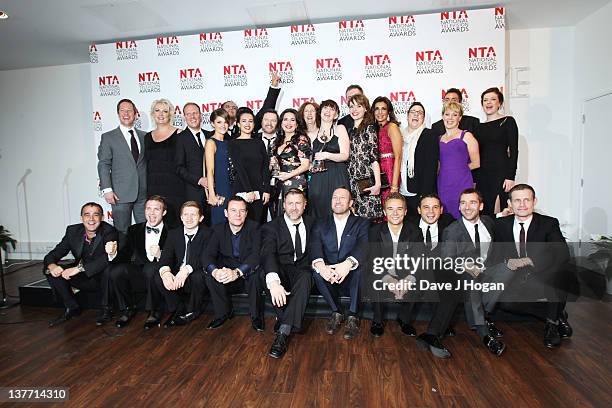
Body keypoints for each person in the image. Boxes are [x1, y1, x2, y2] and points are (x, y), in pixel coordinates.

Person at [490, 184, 572, 348]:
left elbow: (562, 253)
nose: (522, 204)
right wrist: (507, 262)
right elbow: (494, 254)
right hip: (515, 278)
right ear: (510, 204)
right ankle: (555, 315)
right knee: (505, 303)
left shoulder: (548, 223)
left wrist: (530, 260)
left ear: (534, 201)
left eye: (526, 199)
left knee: (562, 273)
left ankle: (551, 325)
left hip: (542, 275)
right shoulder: (500, 224)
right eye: (517, 200)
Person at [442, 188, 506, 356]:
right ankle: (485, 334)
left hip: (487, 270)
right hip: (465, 274)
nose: (467, 207)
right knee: (470, 279)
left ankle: (484, 314)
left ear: (481, 206)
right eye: (463, 203)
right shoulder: (452, 230)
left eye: (472, 202)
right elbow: (447, 259)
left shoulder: (488, 222)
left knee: (508, 268)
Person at [44, 202, 118, 326]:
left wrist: (78, 269)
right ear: (81, 218)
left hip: (102, 277)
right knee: (49, 270)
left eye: (96, 215)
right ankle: (72, 307)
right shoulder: (73, 231)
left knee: (108, 269)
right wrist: (52, 266)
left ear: (102, 218)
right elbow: (54, 254)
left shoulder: (109, 231)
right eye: (87, 215)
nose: (91, 219)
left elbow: (106, 259)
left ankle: (106, 310)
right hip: (83, 276)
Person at [311, 187, 369, 340]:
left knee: (361, 269)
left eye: (342, 198)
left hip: (352, 276)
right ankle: (336, 311)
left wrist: (348, 264)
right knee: (316, 272)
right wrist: (322, 267)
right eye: (334, 197)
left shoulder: (362, 223)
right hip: (331, 275)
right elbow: (315, 246)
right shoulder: (320, 223)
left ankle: (353, 316)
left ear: (350, 202)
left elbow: (364, 246)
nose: (337, 201)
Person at [262, 189, 314, 358]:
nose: (294, 207)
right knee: (268, 277)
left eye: (298, 203)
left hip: (303, 269)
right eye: (290, 203)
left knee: (306, 277)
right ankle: (288, 325)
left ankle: (282, 332)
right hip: (281, 269)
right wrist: (274, 282)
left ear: (305, 205)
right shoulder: (271, 227)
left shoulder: (313, 223)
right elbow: (267, 253)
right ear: (283, 205)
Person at [103, 195, 169, 329]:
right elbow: (125, 255)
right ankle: (128, 308)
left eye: (156, 209)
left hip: (161, 275)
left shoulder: (172, 231)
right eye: (148, 209)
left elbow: (177, 258)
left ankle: (154, 311)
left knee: (151, 268)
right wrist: (113, 253)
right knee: (116, 271)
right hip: (140, 273)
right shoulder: (134, 230)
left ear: (164, 212)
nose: (151, 213)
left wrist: (161, 255)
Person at [366, 193, 424, 338]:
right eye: (390, 209)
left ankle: (404, 320)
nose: (395, 213)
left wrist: (408, 279)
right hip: (383, 271)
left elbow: (418, 260)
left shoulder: (415, 231)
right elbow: (373, 260)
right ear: (385, 212)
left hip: (404, 272)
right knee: (372, 277)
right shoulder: (375, 231)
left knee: (418, 279)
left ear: (405, 211)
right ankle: (378, 321)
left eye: (399, 209)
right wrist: (388, 279)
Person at [202, 196, 264, 331]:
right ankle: (222, 314)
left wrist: (238, 272)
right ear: (226, 213)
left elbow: (256, 255)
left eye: (242, 211)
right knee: (210, 275)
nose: (238, 215)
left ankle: (256, 316)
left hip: (246, 272)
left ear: (246, 213)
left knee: (257, 274)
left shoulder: (255, 228)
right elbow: (207, 255)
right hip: (226, 273)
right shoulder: (217, 230)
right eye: (233, 210)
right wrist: (215, 271)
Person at [411, 194, 458, 358]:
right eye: (426, 207)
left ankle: (432, 334)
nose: (431, 212)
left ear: (441, 210)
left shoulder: (449, 222)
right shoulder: (409, 225)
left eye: (435, 207)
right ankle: (440, 328)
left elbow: (471, 223)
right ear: (418, 210)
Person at [154, 201, 210, 327]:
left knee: (198, 276)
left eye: (193, 215)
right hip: (178, 273)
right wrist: (166, 272)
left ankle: (192, 310)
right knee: (159, 276)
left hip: (195, 271)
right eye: (186, 215)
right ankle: (177, 307)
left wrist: (186, 270)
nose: (189, 218)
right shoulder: (174, 233)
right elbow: (166, 257)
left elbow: (204, 257)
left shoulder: (208, 234)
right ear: (181, 217)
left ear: (201, 218)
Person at [97, 99, 147, 234]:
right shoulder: (108, 137)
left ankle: (141, 256)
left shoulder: (144, 136)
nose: (126, 113)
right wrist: (107, 190)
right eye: (122, 110)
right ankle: (123, 256)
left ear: (135, 114)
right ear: (118, 114)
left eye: (129, 110)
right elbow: (103, 164)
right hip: (119, 195)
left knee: (143, 231)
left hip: (143, 194)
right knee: (121, 232)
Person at [475, 87, 519, 216]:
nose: (488, 103)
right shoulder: (478, 127)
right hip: (482, 175)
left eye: (493, 99)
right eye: (485, 100)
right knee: (485, 210)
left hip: (501, 173)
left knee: (500, 210)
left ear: (499, 103)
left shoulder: (508, 122)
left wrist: (511, 176)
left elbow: (514, 150)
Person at [144, 98, 184, 227]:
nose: (161, 114)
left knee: (174, 223)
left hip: (174, 187)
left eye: (165, 111)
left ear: (170, 114)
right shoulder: (147, 137)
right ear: (153, 114)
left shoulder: (179, 134)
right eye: (157, 110)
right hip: (153, 187)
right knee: (156, 223)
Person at [308, 99, 350, 219]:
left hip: (337, 174)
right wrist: (312, 166)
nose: (328, 111)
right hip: (318, 178)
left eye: (332, 109)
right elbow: (309, 160)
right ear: (320, 112)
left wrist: (327, 155)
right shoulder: (312, 134)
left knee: (339, 208)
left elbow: (345, 155)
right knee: (318, 209)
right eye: (325, 108)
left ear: (336, 115)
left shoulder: (340, 129)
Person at [437, 101, 480, 219]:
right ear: (442, 116)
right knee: (445, 214)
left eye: (454, 115)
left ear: (460, 118)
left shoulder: (467, 136)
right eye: (447, 114)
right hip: (443, 183)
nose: (450, 118)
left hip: (462, 182)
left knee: (463, 213)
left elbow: (476, 163)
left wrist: (460, 169)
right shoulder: (438, 139)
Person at [229, 107, 271, 223]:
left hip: (259, 190)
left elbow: (265, 167)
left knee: (258, 223)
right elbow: (239, 168)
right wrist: (248, 190)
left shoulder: (259, 142)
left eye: (250, 121)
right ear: (238, 124)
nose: (247, 124)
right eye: (244, 121)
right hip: (242, 188)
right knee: (242, 223)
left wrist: (266, 190)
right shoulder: (233, 143)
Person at [346, 94, 383, 220]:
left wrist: (378, 183)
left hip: (367, 181)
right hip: (352, 182)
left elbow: (374, 158)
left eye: (359, 106)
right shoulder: (350, 130)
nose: (354, 110)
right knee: (356, 221)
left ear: (365, 108)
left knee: (368, 221)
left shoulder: (369, 128)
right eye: (351, 106)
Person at [399, 102, 439, 215]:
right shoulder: (400, 135)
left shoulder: (429, 135)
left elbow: (431, 167)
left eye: (420, 113)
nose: (416, 115)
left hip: (419, 191)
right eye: (413, 112)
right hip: (402, 189)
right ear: (407, 116)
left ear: (423, 118)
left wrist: (424, 194)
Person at [270, 109, 311, 217]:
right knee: (279, 217)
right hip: (279, 184)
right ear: (281, 122)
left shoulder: (301, 140)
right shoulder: (277, 141)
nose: (288, 123)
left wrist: (288, 175)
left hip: (296, 184)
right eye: (285, 119)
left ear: (297, 123)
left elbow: (306, 165)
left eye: (292, 120)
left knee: (295, 215)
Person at [221, 72, 281, 139]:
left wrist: (274, 86)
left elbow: (266, 109)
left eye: (234, 107)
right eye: (227, 107)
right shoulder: (215, 132)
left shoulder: (249, 124)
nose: (231, 108)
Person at [176, 102, 207, 212]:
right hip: (194, 192)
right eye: (188, 114)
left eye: (195, 113)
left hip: (215, 192)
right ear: (184, 117)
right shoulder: (180, 139)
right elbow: (179, 168)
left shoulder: (211, 135)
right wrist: (199, 180)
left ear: (200, 115)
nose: (192, 117)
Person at [372, 96, 402, 206]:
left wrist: (394, 186)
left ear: (389, 111)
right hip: (377, 172)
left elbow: (398, 157)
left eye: (383, 109)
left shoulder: (392, 127)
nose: (380, 112)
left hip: (390, 171)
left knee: (389, 204)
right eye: (377, 109)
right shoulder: (374, 129)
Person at [205, 109, 233, 225]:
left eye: (225, 122)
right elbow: (210, 171)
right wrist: (211, 194)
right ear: (212, 124)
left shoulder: (229, 142)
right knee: (220, 224)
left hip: (231, 187)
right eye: (219, 122)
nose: (223, 125)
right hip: (220, 189)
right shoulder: (211, 142)